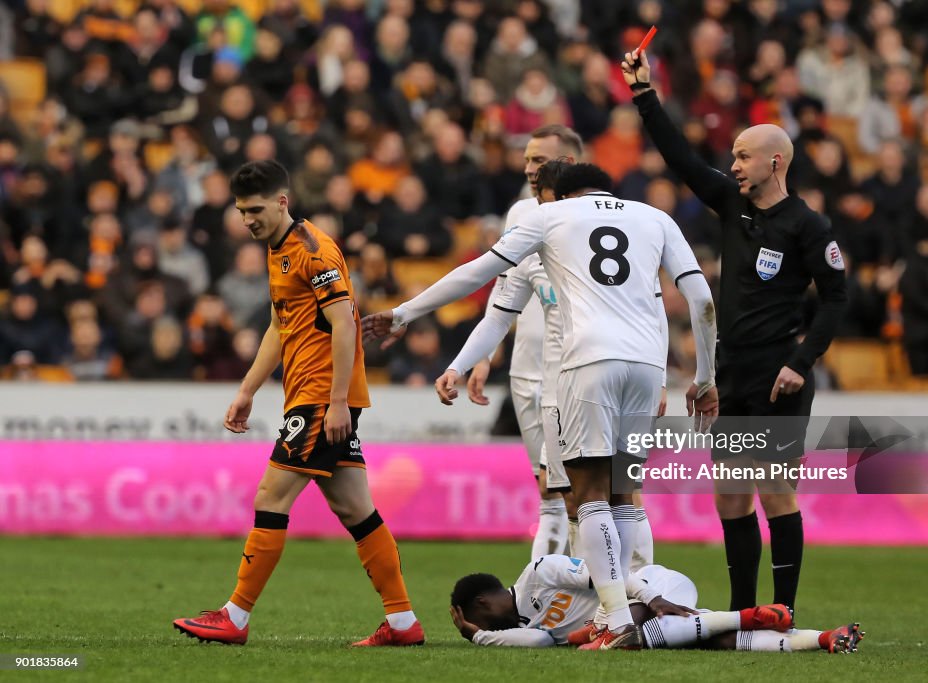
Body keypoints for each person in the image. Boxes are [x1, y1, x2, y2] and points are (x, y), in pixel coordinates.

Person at [363, 163, 719, 650]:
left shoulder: (551, 217)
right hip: (647, 364)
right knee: (625, 491)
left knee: (585, 496)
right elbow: (700, 299)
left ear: (557, 193)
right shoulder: (653, 216)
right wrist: (704, 377)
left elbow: (477, 272)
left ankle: (616, 620)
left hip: (586, 361)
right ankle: (643, 594)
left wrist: (406, 311)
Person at [622, 49, 848, 614]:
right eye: (733, 156)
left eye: (744, 156)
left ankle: (784, 609)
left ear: (776, 161)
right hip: (733, 373)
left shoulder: (808, 225)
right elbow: (681, 160)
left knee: (775, 493)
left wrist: (802, 360)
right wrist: (645, 94)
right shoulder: (731, 203)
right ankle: (747, 612)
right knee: (730, 500)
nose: (735, 164)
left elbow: (839, 297)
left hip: (778, 376)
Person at [172, 160, 422, 647]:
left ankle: (235, 617)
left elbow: (345, 323)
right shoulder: (277, 249)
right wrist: (247, 390)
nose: (248, 219)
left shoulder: (313, 249)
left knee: (270, 498)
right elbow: (278, 326)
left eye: (256, 209)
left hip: (320, 397)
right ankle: (403, 622)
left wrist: (336, 403)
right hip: (310, 395)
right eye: (242, 211)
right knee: (355, 508)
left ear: (282, 202)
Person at [436, 159, 669, 569]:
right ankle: (604, 595)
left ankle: (625, 595)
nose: (537, 199)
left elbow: (656, 304)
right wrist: (468, 361)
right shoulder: (536, 249)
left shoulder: (577, 235)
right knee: (573, 491)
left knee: (611, 490)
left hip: (588, 376)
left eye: (541, 188)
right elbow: (497, 313)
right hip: (565, 380)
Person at [467, 125, 582, 560]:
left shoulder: (593, 217)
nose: (529, 168)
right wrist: (483, 354)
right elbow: (504, 286)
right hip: (524, 367)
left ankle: (610, 593)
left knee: (593, 492)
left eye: (539, 160)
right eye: (527, 159)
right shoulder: (519, 213)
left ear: (566, 163)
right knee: (548, 492)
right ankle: (550, 589)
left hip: (574, 369)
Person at [449, 554, 863, 654]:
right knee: (701, 642)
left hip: (655, 586)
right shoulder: (522, 628)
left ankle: (744, 617)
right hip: (644, 619)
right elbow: (538, 643)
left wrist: (652, 597)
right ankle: (823, 638)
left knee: (630, 627)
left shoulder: (541, 569)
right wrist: (479, 635)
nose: (489, 630)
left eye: (477, 620)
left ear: (483, 602)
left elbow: (607, 573)